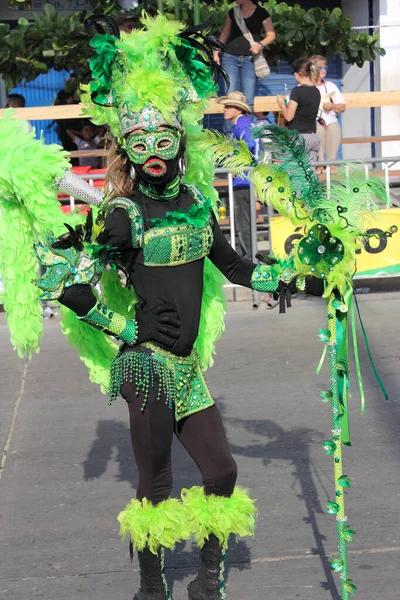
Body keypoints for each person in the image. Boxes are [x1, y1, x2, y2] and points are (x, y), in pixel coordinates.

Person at [0, 15, 320, 600]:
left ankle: (207, 577)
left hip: (187, 367)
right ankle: (153, 588)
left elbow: (238, 267)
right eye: (139, 143)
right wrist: (129, 324)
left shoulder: (198, 204)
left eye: (162, 141)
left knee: (221, 471)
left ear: (178, 143)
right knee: (157, 484)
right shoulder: (122, 214)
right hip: (145, 367)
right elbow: (74, 289)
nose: (151, 152)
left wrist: (295, 278)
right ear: (129, 147)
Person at [213, 0, 275, 126]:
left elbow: (271, 34)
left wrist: (260, 45)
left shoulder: (261, 12)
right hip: (230, 57)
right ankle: (230, 135)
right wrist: (216, 51)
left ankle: (247, 133)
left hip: (250, 59)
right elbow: (225, 32)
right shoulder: (233, 12)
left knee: (249, 99)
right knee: (230, 99)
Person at [217, 91, 257, 260]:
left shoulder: (242, 124)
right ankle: (248, 256)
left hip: (243, 181)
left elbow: (251, 143)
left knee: (243, 224)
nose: (224, 109)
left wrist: (238, 164)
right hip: (244, 181)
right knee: (242, 223)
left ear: (238, 109)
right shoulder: (242, 124)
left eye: (228, 106)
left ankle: (250, 260)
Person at [277, 58, 321, 164]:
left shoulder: (297, 91)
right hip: (313, 136)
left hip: (298, 138)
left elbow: (288, 116)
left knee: (295, 174)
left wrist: (281, 104)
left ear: (299, 73)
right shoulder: (316, 91)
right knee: (309, 175)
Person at [310, 55, 346, 174]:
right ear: (313, 69)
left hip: (330, 118)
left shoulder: (330, 86)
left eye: (325, 67)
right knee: (318, 129)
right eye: (321, 67)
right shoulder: (307, 87)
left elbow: (342, 107)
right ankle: (320, 164)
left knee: (334, 128)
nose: (324, 70)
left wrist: (332, 106)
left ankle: (331, 163)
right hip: (314, 120)